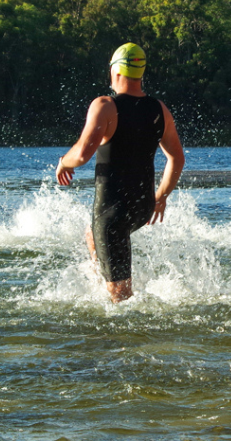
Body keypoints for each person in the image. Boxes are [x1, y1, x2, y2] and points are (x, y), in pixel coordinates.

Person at [55, 43, 186, 302]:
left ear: (115, 72)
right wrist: (161, 195)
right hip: (142, 207)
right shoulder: (159, 109)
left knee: (121, 297)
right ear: (140, 73)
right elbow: (177, 159)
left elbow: (81, 154)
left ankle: (125, 327)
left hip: (111, 214)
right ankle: (102, 280)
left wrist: (63, 162)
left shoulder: (105, 105)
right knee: (91, 234)